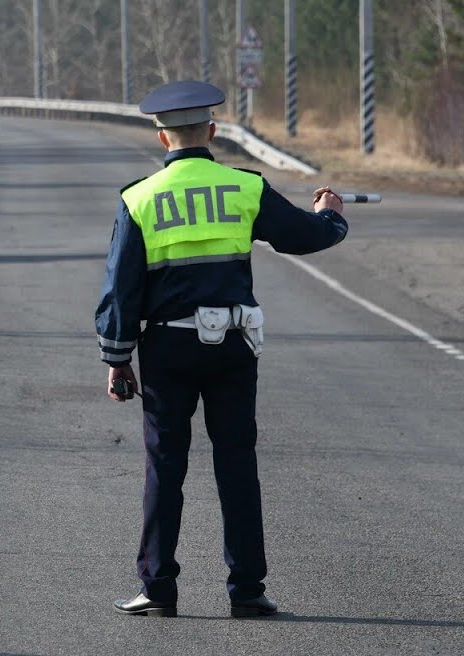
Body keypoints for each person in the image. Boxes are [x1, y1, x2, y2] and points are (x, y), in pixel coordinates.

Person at [95, 80, 348, 618]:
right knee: (237, 465)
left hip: (168, 348)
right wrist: (331, 213)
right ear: (211, 131)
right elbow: (306, 235)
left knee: (165, 467)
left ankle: (158, 589)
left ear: (162, 138)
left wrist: (118, 360)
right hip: (234, 345)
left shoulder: (138, 199)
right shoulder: (244, 187)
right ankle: (247, 592)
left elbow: (121, 287)